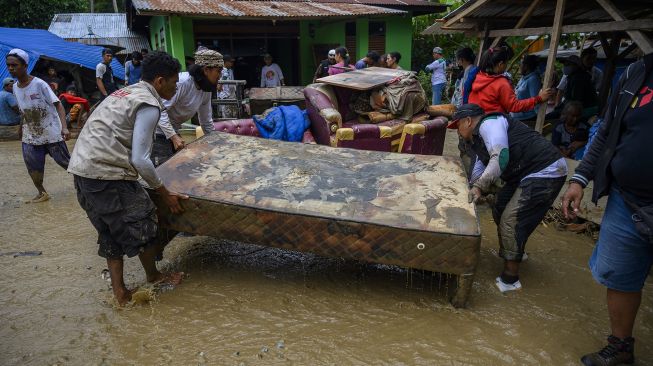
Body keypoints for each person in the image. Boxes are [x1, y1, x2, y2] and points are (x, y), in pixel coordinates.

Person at [68, 51, 187, 306]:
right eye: (174, 82)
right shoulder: (149, 104)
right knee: (145, 218)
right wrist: (165, 193)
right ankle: (155, 277)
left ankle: (120, 293)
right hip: (106, 173)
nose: (175, 88)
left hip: (81, 170)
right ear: (159, 81)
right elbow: (141, 159)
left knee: (109, 230)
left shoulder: (125, 92)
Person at [562, 53, 653, 366]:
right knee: (619, 276)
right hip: (625, 199)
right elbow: (606, 131)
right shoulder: (635, 74)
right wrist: (579, 179)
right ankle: (621, 346)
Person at [450, 104, 567, 293]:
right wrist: (469, 190)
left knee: (511, 220)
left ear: (468, 121)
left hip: (545, 170)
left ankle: (510, 279)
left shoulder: (490, 125)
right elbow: (478, 171)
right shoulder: (478, 140)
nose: (457, 131)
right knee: (500, 207)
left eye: (457, 126)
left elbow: (500, 157)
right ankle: (515, 250)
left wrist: (480, 187)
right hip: (523, 174)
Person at [6, 48, 70, 203]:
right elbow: (23, 110)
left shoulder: (40, 84)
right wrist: (21, 127)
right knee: (33, 168)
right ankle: (42, 193)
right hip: (31, 134)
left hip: (51, 132)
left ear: (25, 66)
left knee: (67, 164)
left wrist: (64, 127)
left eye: (14, 65)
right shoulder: (14, 87)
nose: (10, 68)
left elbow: (58, 105)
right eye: (8, 65)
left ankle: (86, 183)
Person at [152, 48, 223, 166]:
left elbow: (206, 121)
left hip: (172, 131)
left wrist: (216, 143)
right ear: (206, 70)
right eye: (218, 71)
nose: (220, 76)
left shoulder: (206, 89)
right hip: (156, 132)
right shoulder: (182, 83)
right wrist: (174, 137)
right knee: (165, 171)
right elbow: (159, 109)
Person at [469, 46, 553, 115]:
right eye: (506, 63)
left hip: (477, 120)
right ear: (500, 64)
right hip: (494, 121)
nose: (506, 66)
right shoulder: (501, 82)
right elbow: (514, 106)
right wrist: (539, 98)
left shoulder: (478, 77)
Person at [510, 55, 542, 122]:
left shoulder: (533, 79)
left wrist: (539, 119)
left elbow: (535, 100)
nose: (519, 67)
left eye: (520, 64)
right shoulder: (523, 78)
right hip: (516, 116)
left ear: (526, 66)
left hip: (526, 118)